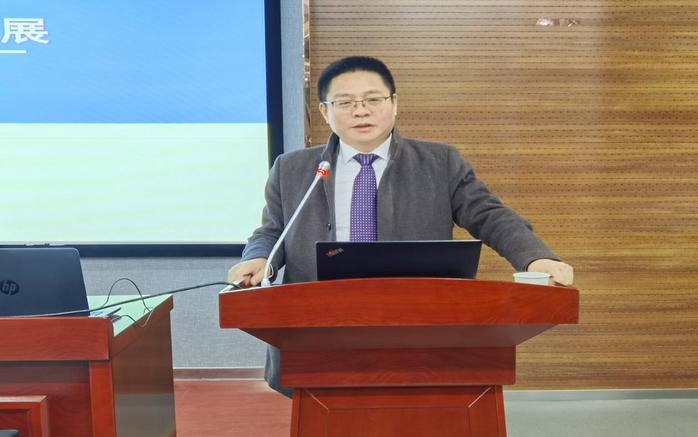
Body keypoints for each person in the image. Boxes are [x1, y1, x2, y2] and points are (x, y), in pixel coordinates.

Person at [228, 56, 574, 397]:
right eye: (345, 103)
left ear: (394, 104)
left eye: (373, 99)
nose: (361, 111)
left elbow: (489, 216)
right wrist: (258, 259)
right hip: (318, 324)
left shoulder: (439, 162)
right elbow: (273, 230)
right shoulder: (292, 168)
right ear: (324, 111)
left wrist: (535, 258)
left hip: (418, 321)